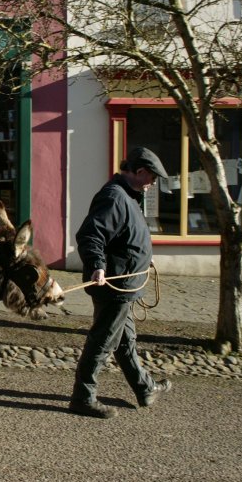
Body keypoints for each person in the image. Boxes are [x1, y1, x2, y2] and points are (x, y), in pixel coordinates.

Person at [69, 146, 173, 418]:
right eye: (152, 177)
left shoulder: (129, 195)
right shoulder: (114, 197)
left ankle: (145, 388)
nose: (153, 184)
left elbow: (123, 236)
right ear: (139, 171)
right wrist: (97, 266)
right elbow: (91, 235)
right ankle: (83, 397)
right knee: (102, 342)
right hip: (113, 286)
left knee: (126, 343)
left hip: (125, 286)